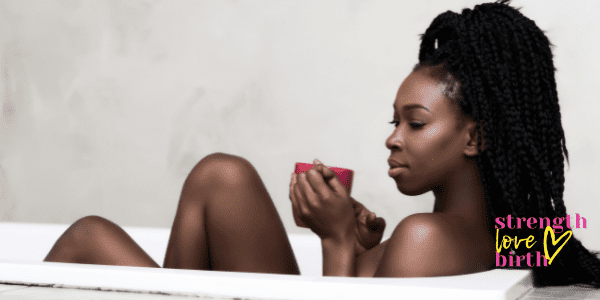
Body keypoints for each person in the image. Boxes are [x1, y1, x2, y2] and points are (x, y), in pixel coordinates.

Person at [44, 0, 600, 286]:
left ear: (475, 135)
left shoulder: (425, 236)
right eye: (394, 121)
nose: (392, 139)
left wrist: (335, 240)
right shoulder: (509, 234)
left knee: (88, 237)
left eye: (415, 123)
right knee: (221, 175)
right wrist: (360, 247)